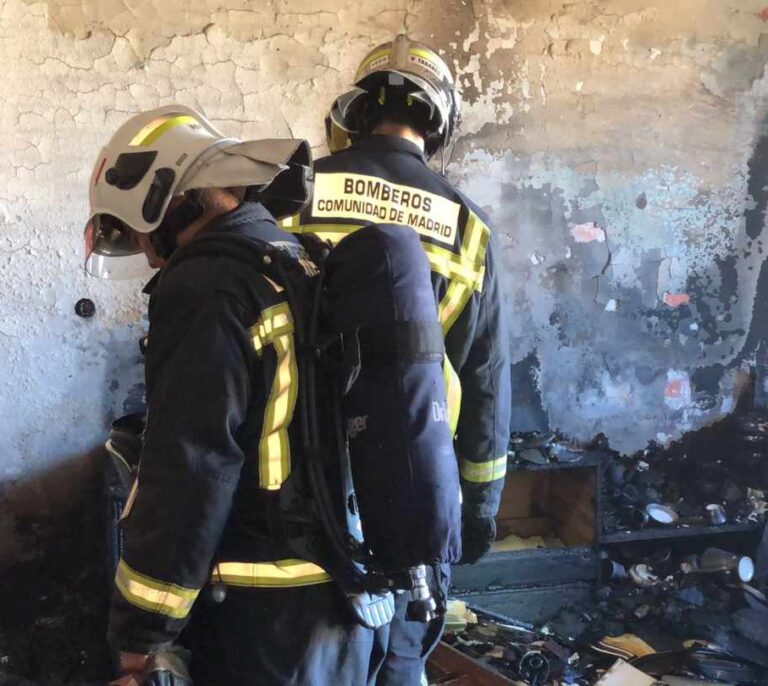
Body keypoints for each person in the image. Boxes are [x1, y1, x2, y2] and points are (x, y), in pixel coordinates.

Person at [84, 105, 387, 686]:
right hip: (345, 603)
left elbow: (190, 470)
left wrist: (141, 636)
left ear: (170, 200)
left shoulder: (206, 284)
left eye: (141, 232)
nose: (148, 254)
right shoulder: (291, 258)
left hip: (262, 616)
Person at [281, 34, 512, 684]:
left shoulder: (295, 193)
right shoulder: (467, 227)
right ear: (437, 125)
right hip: (410, 482)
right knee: (401, 658)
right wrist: (479, 508)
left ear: (352, 112)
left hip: (298, 488)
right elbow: (485, 380)